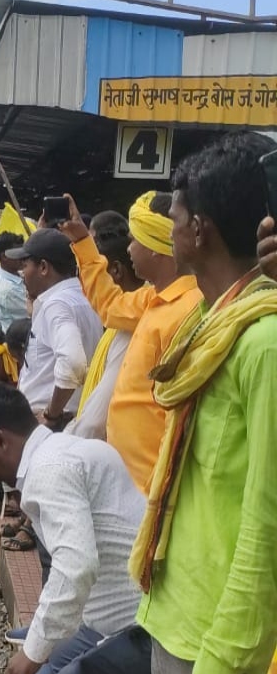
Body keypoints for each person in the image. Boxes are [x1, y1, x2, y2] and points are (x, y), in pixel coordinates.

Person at [129, 133, 276, 674]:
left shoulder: (261, 344)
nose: (168, 226)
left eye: (177, 213)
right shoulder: (208, 328)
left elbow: (266, 524)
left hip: (219, 648)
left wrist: (216, 672)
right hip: (174, 618)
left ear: (201, 230)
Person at [0, 381, 150, 674]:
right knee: (53, 664)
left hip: (143, 628)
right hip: (111, 617)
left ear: (1, 439)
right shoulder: (66, 447)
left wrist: (33, 652)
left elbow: (76, 567)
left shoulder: (49, 470)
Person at [59, 192, 201, 490]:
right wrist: (82, 242)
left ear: (156, 249)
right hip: (129, 478)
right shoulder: (153, 299)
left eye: (135, 240)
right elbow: (110, 306)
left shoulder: (190, 309)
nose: (129, 248)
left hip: (151, 484)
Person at [3, 228, 103, 428]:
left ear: (43, 267)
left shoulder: (56, 305)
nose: (22, 274)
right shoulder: (85, 298)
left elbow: (73, 362)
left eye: (25, 265)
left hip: (53, 425)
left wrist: (51, 414)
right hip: (77, 418)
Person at [66, 217, 144, 441]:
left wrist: (70, 443)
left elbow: (93, 424)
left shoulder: (130, 327)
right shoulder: (122, 319)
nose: (83, 283)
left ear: (116, 271)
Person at [0, 232, 29, 330]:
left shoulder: (19, 276)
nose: (22, 256)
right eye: (18, 252)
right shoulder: (8, 290)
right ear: (4, 256)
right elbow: (35, 312)